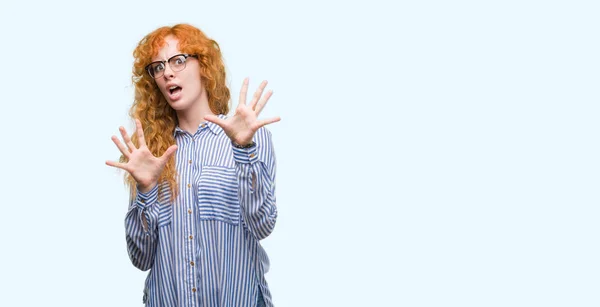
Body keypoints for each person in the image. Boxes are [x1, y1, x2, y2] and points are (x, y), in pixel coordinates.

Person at [105, 23, 280, 307]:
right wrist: (146, 189)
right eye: (158, 67)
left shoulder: (251, 137)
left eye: (178, 60)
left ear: (204, 66)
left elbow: (262, 226)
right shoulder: (150, 155)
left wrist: (243, 150)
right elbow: (141, 258)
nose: (168, 73)